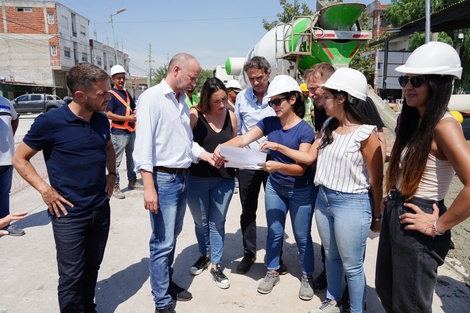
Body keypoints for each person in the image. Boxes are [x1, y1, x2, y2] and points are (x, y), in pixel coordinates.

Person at [262, 68, 383, 313]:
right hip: (324, 200)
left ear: (342, 98)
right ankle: (332, 299)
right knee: (331, 256)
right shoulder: (328, 125)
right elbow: (308, 157)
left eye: (326, 96)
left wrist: (377, 215)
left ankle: (356, 308)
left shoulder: (365, 134)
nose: (320, 100)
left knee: (353, 266)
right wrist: (279, 148)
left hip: (352, 203)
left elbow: (377, 179)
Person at [12, 63, 116, 312]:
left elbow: (109, 147)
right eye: (102, 93)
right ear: (80, 95)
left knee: (93, 266)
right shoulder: (50, 122)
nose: (108, 97)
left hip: (100, 208)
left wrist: (112, 174)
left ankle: (88, 307)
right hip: (68, 213)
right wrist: (45, 190)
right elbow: (19, 159)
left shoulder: (101, 120)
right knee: (71, 275)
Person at [375, 41, 470, 313]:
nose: (407, 86)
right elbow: (408, 167)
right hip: (399, 209)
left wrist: (438, 225)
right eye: (405, 79)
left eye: (416, 80)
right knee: (388, 293)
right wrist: (392, 195)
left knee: (410, 305)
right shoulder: (414, 120)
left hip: (421, 217)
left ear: (439, 84)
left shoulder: (444, 126)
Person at [133, 53, 220, 313]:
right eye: (192, 77)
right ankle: (161, 301)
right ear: (176, 70)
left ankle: (164, 284)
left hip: (182, 178)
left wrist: (206, 156)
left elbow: (185, 144)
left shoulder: (182, 102)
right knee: (162, 241)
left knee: (171, 238)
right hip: (163, 180)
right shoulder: (152, 98)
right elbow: (143, 148)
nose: (195, 82)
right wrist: (149, 187)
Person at [215, 75, 316, 300]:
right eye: (271, 102)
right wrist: (220, 148)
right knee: (274, 232)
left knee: (302, 236)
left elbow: (301, 168)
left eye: (277, 101)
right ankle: (272, 270)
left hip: (300, 189)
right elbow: (242, 140)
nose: (273, 106)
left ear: (292, 99)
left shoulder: (305, 131)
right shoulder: (270, 122)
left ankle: (307, 275)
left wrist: (278, 162)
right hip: (276, 187)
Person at [234, 56, 287, 275]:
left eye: (259, 77)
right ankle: (249, 253)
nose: (255, 82)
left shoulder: (278, 96)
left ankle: (276, 257)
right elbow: (238, 131)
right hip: (248, 160)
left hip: (274, 160)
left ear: (268, 73)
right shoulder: (241, 97)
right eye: (251, 78)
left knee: (275, 209)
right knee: (248, 210)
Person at [187, 77, 237, 289]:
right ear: (206, 100)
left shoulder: (231, 117)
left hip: (223, 180)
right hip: (196, 178)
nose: (221, 105)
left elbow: (236, 143)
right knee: (201, 222)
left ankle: (216, 264)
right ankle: (204, 253)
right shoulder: (194, 115)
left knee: (217, 222)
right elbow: (186, 142)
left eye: (224, 99)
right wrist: (206, 155)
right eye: (216, 101)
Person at [106, 64, 142, 199]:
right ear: (113, 79)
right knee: (115, 161)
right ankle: (114, 185)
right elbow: (108, 114)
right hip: (119, 132)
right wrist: (128, 118)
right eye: (118, 78)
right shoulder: (111, 94)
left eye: (122, 78)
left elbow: (133, 108)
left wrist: (136, 112)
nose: (121, 80)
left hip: (131, 130)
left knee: (131, 158)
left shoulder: (127, 93)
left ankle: (132, 181)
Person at [0, 95, 25, 236]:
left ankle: (5, 224)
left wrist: (10, 136)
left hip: (6, 158)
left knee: (4, 194)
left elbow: (15, 119)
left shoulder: (5, 102)